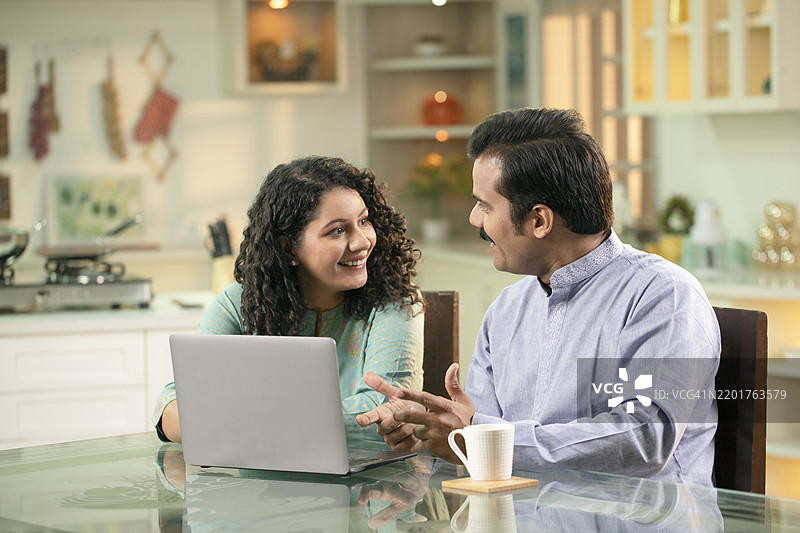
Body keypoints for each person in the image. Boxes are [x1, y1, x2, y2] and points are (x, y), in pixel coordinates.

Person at [356, 108, 720, 486]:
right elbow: (476, 437)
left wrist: (478, 440)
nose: (474, 220)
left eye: (485, 205)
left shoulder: (663, 296)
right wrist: (428, 433)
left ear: (539, 221)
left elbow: (645, 438)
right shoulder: (507, 310)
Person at [153, 155, 425, 443]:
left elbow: (385, 413)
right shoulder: (239, 303)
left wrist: (240, 421)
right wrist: (281, 424)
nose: (362, 241)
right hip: (255, 485)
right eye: (337, 230)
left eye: (363, 221)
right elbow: (173, 403)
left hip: (369, 484)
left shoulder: (395, 303)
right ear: (288, 248)